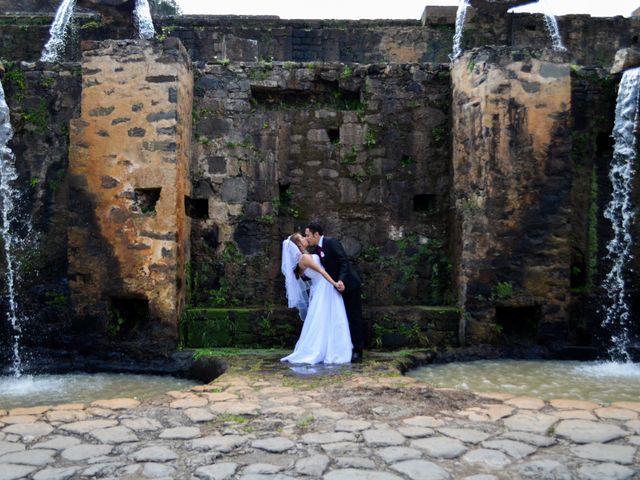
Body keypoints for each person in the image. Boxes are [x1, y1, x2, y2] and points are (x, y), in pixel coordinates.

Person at [280, 233, 353, 364]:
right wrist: (335, 283)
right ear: (298, 244)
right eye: (302, 238)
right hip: (325, 287)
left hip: (321, 288)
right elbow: (321, 271)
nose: (305, 237)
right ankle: (329, 350)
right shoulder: (305, 258)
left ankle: (331, 348)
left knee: (329, 319)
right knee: (328, 318)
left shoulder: (304, 257)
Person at [304, 223, 364, 362]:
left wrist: (342, 280)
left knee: (354, 317)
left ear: (316, 234)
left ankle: (358, 350)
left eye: (308, 235)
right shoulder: (314, 252)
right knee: (339, 319)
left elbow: (344, 262)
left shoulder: (331, 242)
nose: (307, 238)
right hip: (333, 289)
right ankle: (342, 348)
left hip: (349, 285)